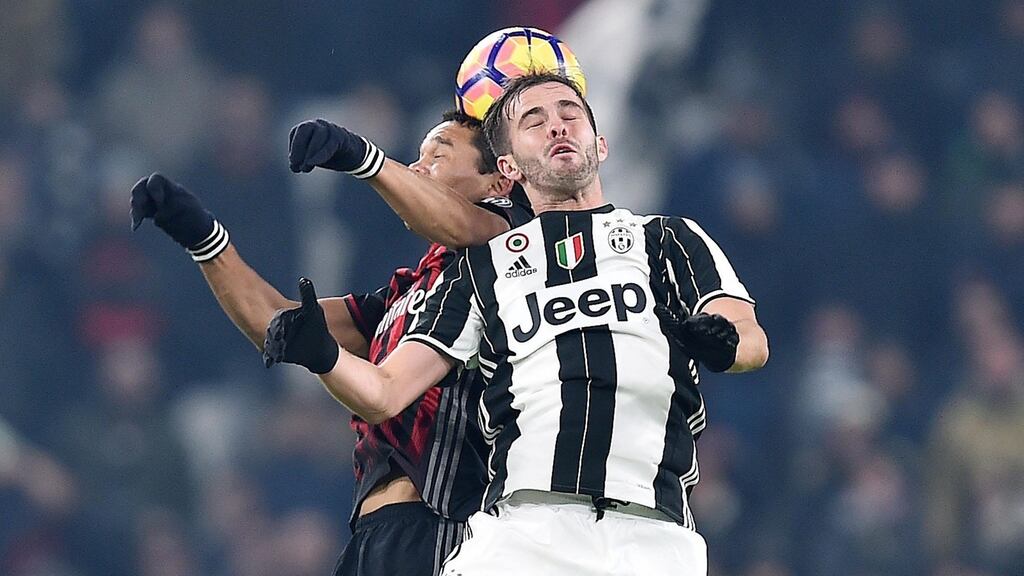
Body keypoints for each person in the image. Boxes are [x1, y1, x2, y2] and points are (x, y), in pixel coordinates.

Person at [264, 72, 769, 576]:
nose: (558, 127)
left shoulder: (667, 239)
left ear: (601, 144)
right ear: (507, 166)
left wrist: (725, 344)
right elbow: (385, 391)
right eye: (535, 121)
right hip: (524, 534)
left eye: (570, 114)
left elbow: (750, 338)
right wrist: (323, 356)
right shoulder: (482, 268)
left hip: (654, 536)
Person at [130, 110, 533, 576]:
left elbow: (464, 225)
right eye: (417, 157)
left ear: (498, 182)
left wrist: (361, 158)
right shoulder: (405, 294)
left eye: (437, 157)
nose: (416, 168)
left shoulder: (512, 249)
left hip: (445, 526)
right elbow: (277, 323)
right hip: (371, 532)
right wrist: (204, 239)